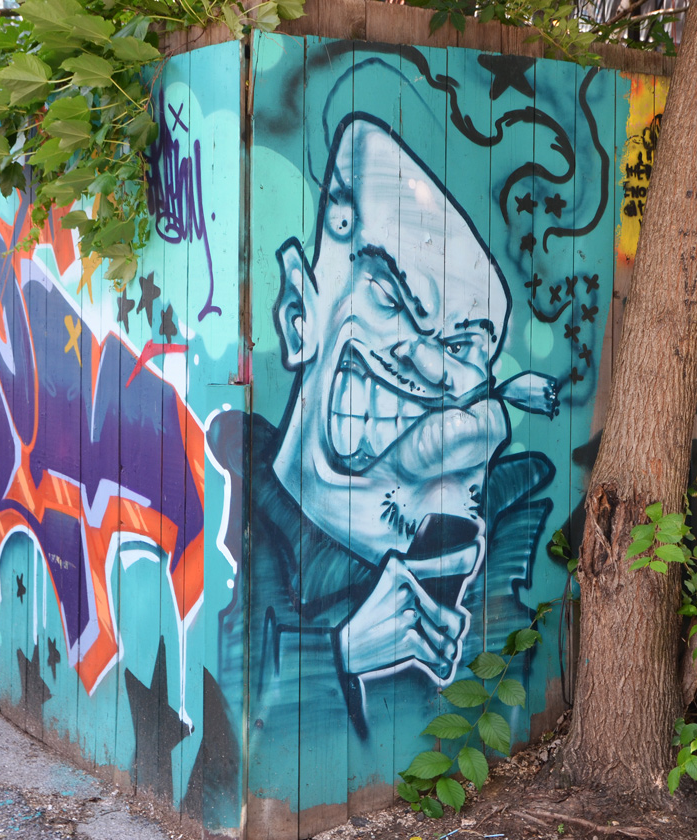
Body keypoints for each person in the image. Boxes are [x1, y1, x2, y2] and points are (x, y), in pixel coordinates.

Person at [209, 115, 558, 747]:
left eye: (462, 345)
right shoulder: (238, 528)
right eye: (392, 300)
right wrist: (342, 652)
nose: (429, 365)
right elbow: (229, 730)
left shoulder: (491, 535)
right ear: (299, 314)